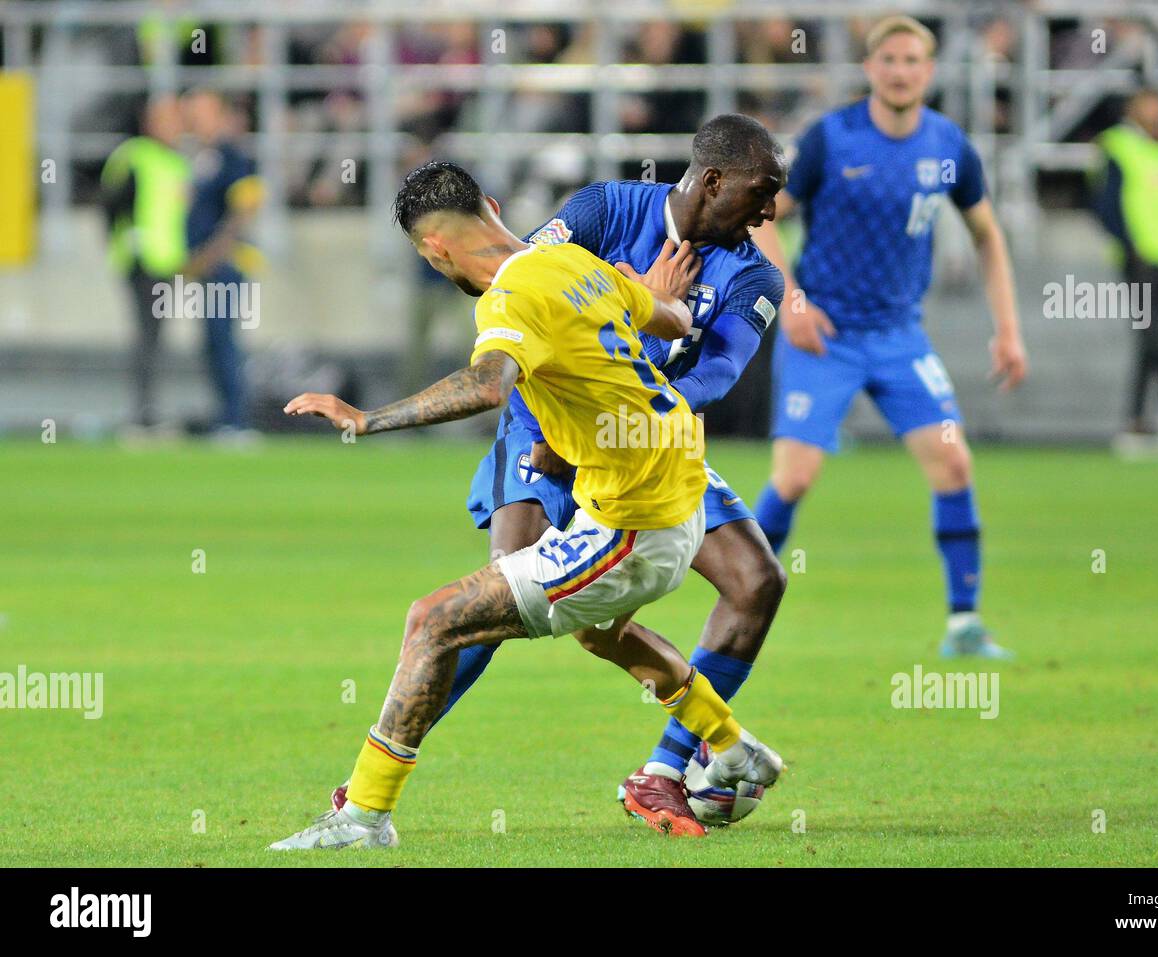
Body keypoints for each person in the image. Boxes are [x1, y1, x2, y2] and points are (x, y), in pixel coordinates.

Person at [269, 162, 783, 850]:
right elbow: (671, 314)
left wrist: (367, 419)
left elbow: (486, 385)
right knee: (597, 629)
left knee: (435, 618)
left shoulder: (511, 296)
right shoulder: (576, 262)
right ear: (492, 204)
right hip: (673, 485)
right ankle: (732, 746)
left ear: (434, 252)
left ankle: (363, 815)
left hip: (635, 522)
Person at [394, 114, 789, 837]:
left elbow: (714, 376)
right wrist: (636, 309)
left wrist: (636, 328)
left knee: (757, 579)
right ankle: (373, 778)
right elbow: (511, 297)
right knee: (495, 597)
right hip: (544, 431)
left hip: (643, 444)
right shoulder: (601, 210)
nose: (772, 212)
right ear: (712, 181)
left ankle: (665, 772)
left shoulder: (757, 273)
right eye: (763, 193)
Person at [750, 15, 1028, 659]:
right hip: (825, 335)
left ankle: (964, 624)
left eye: (913, 61)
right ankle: (736, 593)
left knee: (955, 462)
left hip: (900, 336)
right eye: (890, 60)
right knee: (794, 478)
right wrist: (790, 299)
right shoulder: (831, 138)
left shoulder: (949, 146)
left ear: (928, 72)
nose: (901, 71)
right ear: (871, 69)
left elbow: (988, 236)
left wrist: (1008, 331)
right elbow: (764, 218)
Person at [1093, 88, 1158, 440]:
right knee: (1150, 332)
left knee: (1148, 337)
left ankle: (1137, 419)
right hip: (1141, 257)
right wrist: (1127, 242)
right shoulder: (1118, 145)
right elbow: (1104, 202)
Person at [101, 95, 190, 431]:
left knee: (154, 337)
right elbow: (111, 203)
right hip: (142, 261)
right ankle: (143, 413)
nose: (175, 127)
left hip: (166, 261)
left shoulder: (176, 162)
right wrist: (126, 243)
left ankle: (148, 410)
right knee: (147, 337)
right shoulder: (135, 156)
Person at [183, 89, 263, 436]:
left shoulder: (232, 155)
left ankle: (235, 418)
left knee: (224, 339)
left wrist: (213, 253)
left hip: (224, 263)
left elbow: (244, 208)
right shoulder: (204, 155)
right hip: (207, 264)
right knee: (212, 341)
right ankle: (224, 416)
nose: (193, 121)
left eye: (200, 112)